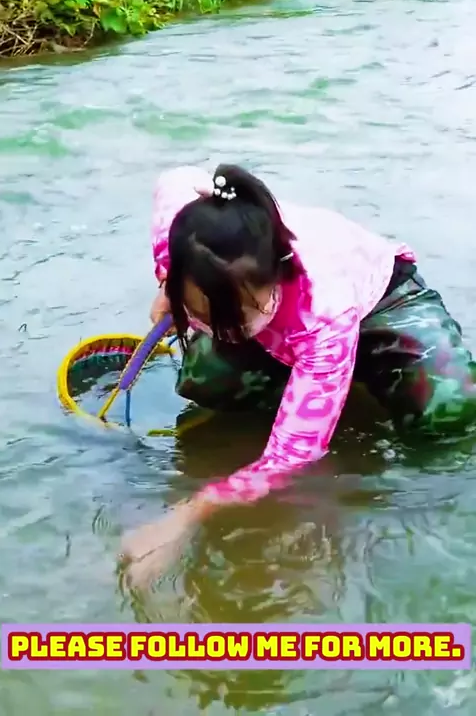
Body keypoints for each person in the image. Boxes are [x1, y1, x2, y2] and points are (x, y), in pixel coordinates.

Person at [120, 163, 476, 588]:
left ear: (276, 274)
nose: (219, 329)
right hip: (279, 321)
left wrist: (187, 515)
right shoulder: (178, 228)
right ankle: (312, 384)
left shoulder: (324, 311)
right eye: (204, 314)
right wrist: (168, 289)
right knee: (208, 383)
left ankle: (346, 377)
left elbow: (290, 457)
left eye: (237, 316)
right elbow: (173, 177)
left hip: (381, 298)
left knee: (449, 408)